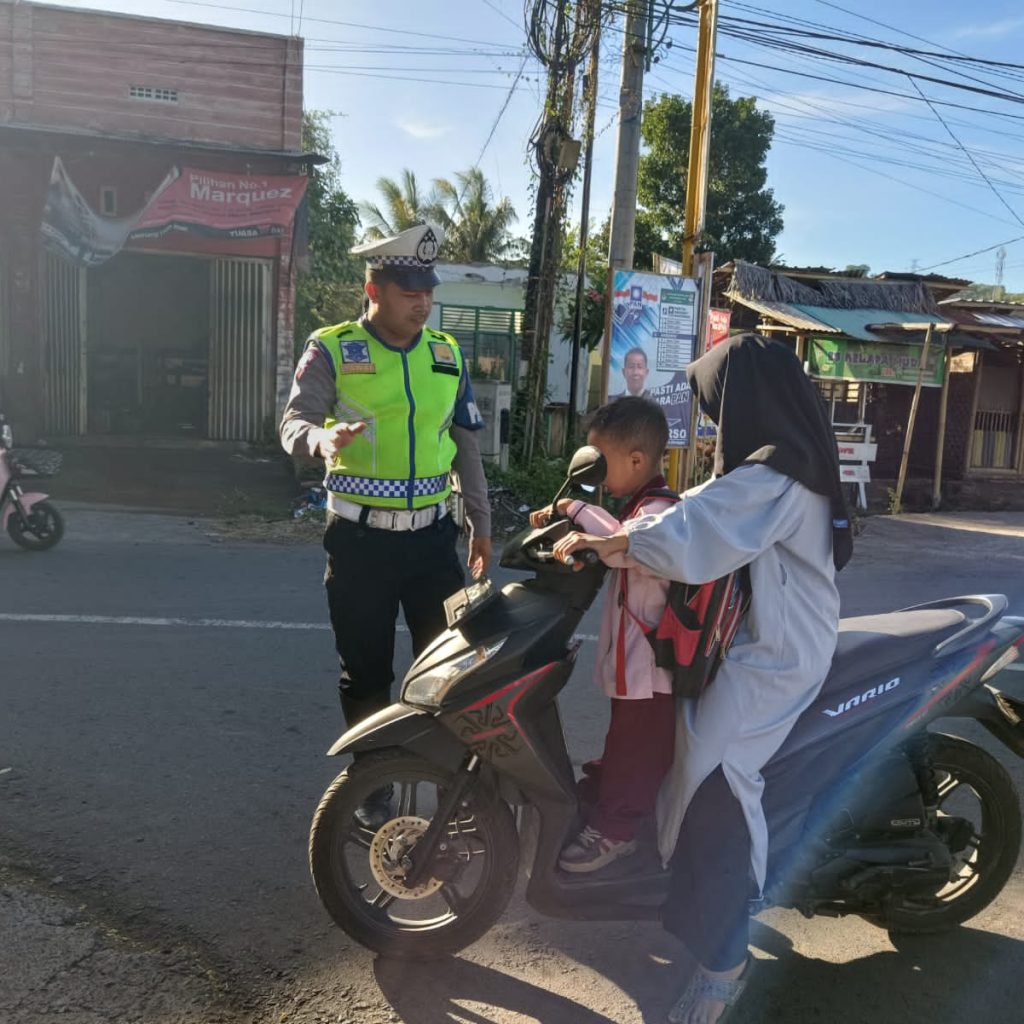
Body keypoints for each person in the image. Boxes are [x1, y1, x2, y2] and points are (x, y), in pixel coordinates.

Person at [554, 333, 852, 1024]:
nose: (716, 423)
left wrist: (616, 541)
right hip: (749, 645)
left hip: (774, 657)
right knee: (684, 753)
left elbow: (695, 531)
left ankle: (725, 962)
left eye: (718, 406)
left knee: (713, 776)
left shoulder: (774, 477)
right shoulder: (771, 468)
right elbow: (700, 510)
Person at [279, 223, 492, 821]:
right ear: (374, 288)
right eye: (406, 288)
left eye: (427, 287)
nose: (421, 300)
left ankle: (455, 788)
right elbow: (292, 424)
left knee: (449, 670)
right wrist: (322, 439)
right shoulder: (333, 346)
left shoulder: (446, 354)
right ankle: (372, 783)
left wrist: (480, 520)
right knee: (367, 671)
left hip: (432, 542)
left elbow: (465, 440)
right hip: (359, 543)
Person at [530, 397, 677, 873]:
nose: (596, 475)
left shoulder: (659, 512)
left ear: (636, 460)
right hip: (633, 669)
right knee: (624, 746)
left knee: (635, 754)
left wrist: (575, 508)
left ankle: (616, 834)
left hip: (651, 673)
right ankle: (602, 805)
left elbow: (618, 543)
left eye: (601, 462)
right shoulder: (637, 505)